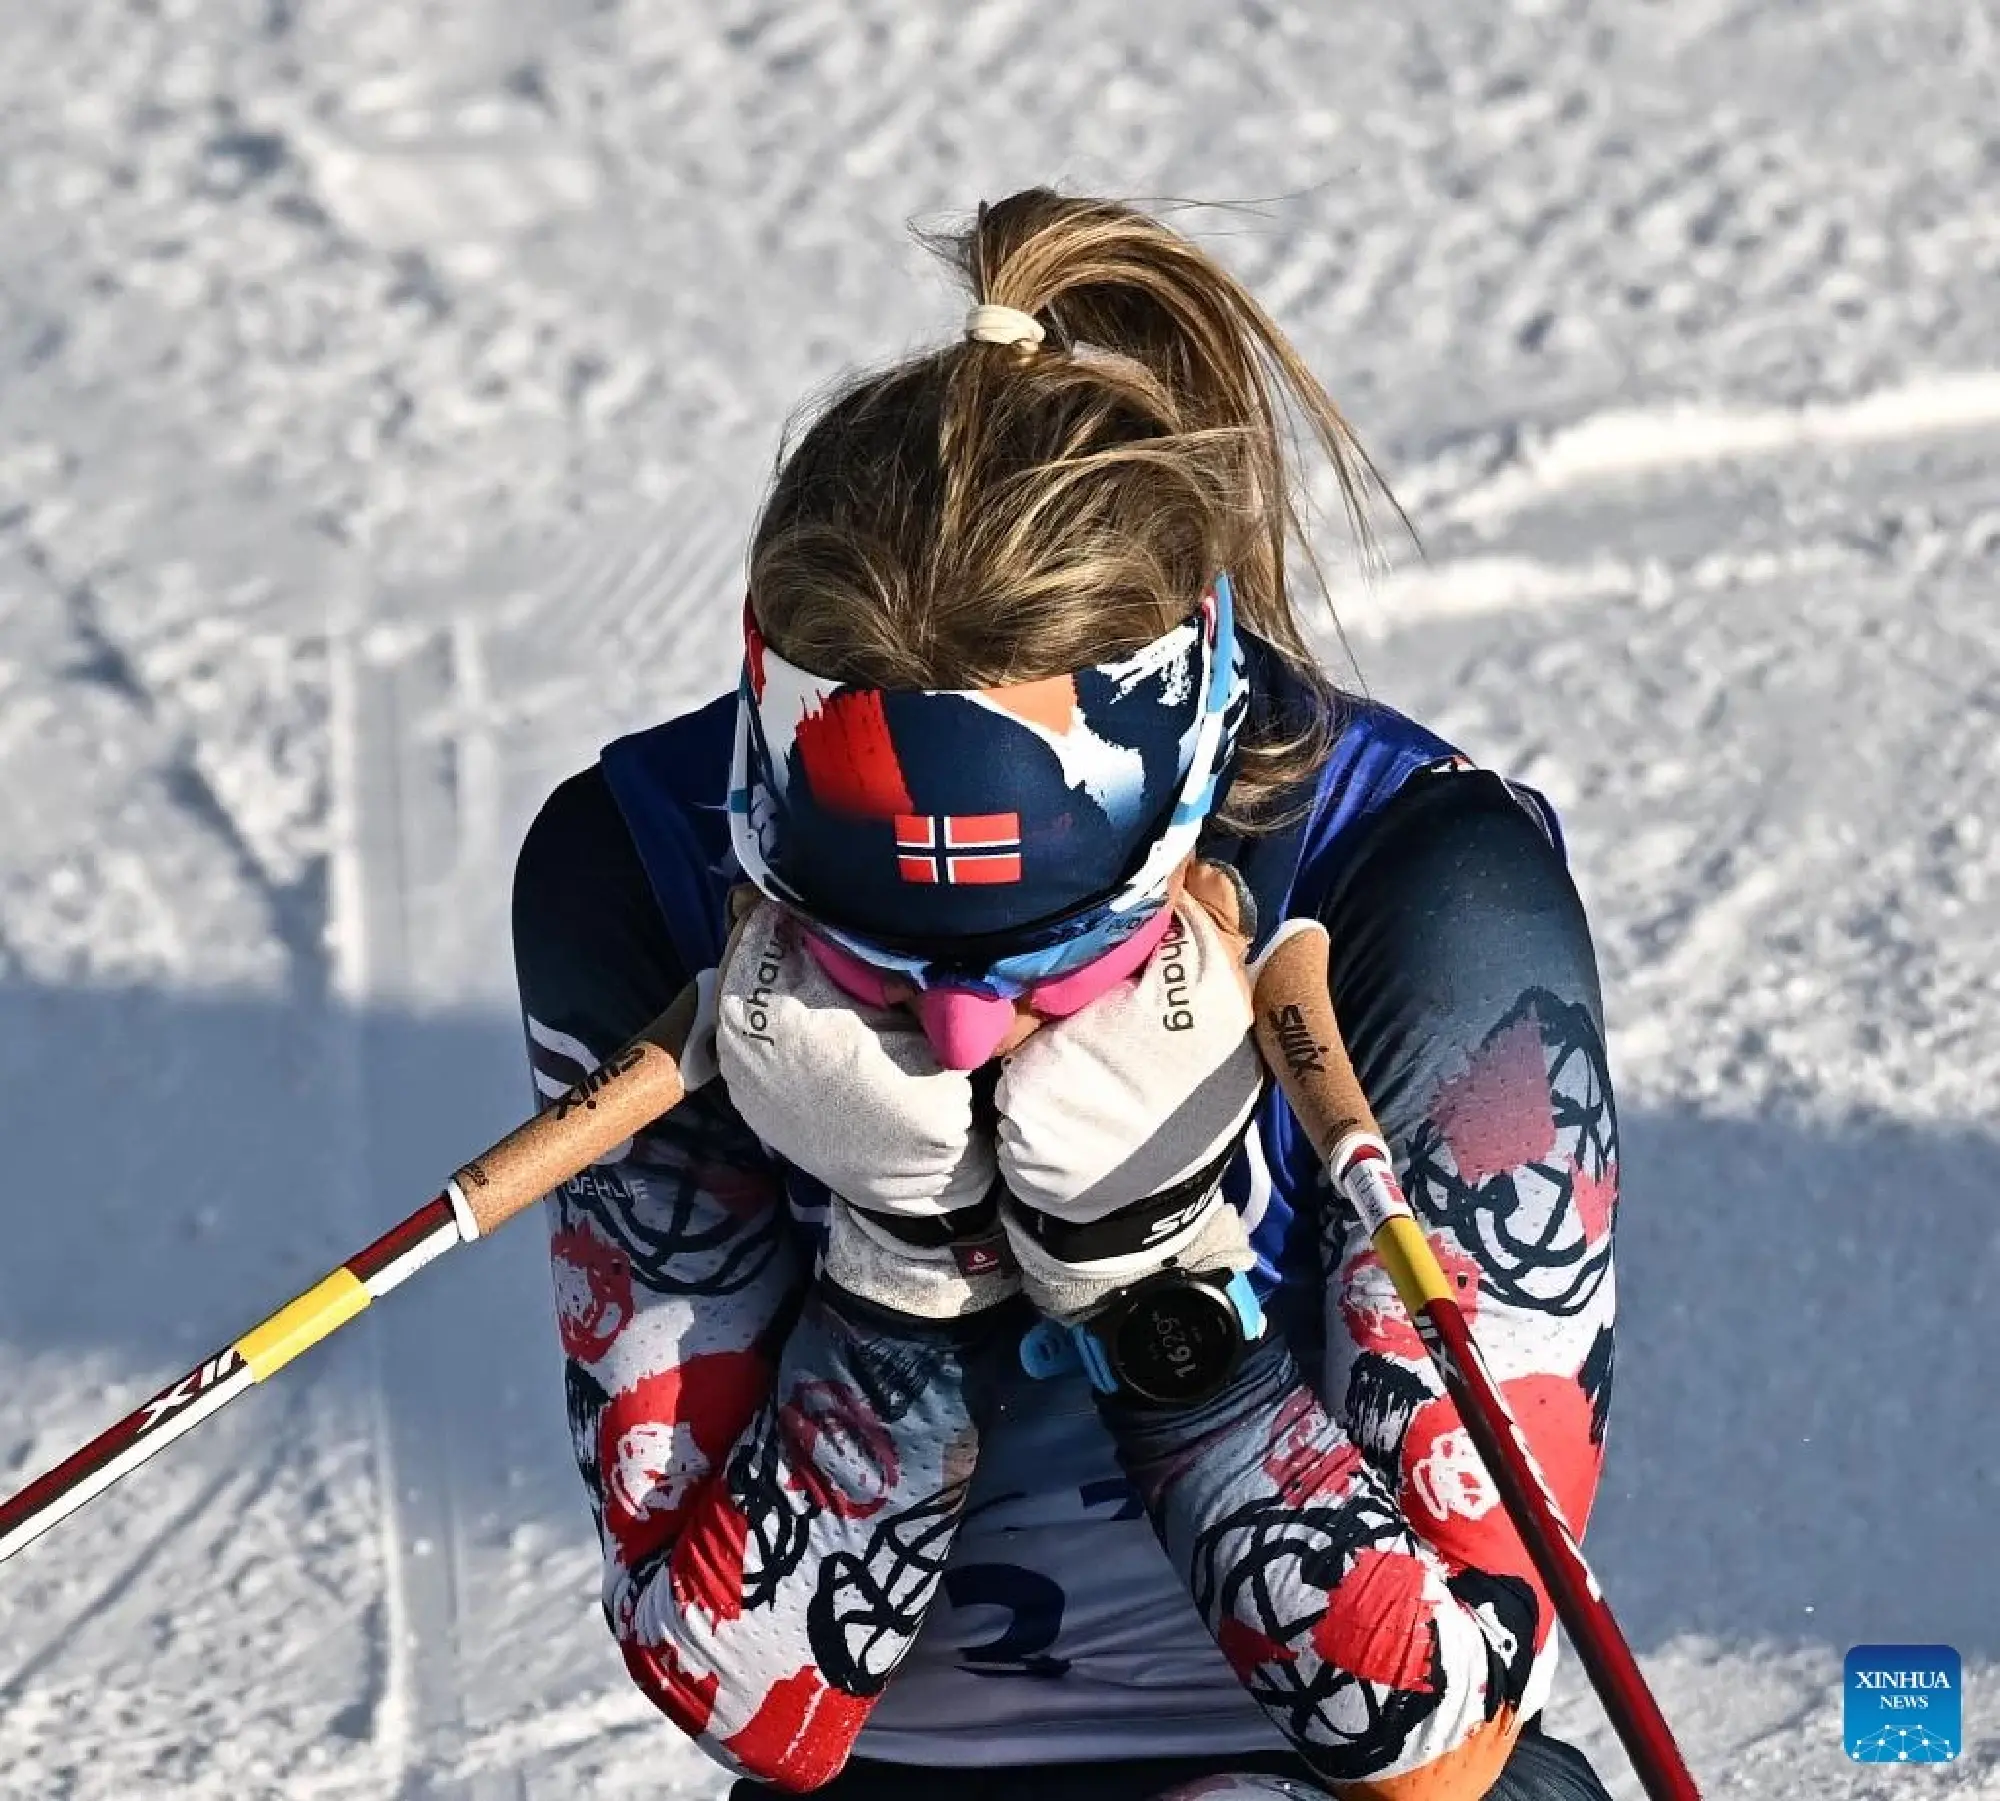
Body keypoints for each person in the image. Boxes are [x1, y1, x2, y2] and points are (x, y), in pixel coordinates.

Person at [510, 190, 1620, 1800]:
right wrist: (904, 1277)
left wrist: (1147, 1282)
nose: (959, 1027)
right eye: (873, 944)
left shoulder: (1419, 885)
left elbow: (1443, 1742)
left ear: (1190, 795)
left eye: (1051, 943)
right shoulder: (635, 869)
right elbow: (747, 1705)